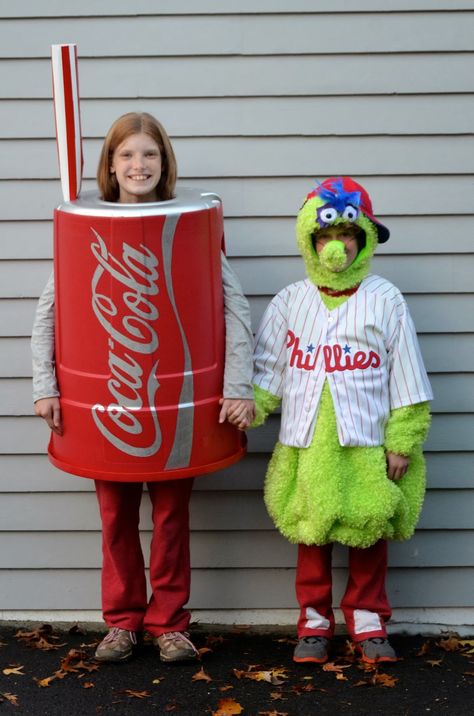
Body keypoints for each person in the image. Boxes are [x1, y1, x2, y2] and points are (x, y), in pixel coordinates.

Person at [32, 112, 255, 663]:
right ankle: (122, 622)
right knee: (115, 519)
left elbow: (235, 308)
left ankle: (170, 623)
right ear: (110, 165)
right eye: (127, 155)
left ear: (165, 163)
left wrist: (238, 384)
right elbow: (49, 314)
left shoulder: (190, 223)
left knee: (172, 517)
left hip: (173, 401)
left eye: (149, 154)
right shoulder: (85, 227)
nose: (139, 165)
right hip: (108, 403)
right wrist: (46, 385)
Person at [252, 177, 432, 664]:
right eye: (327, 235)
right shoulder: (291, 300)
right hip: (307, 439)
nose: (338, 245)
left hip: (367, 439)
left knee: (367, 526)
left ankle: (368, 619)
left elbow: (407, 376)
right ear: (311, 240)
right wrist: (253, 405)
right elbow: (269, 367)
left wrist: (402, 440)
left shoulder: (385, 299)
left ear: (365, 239)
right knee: (312, 528)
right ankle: (314, 620)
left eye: (349, 234)